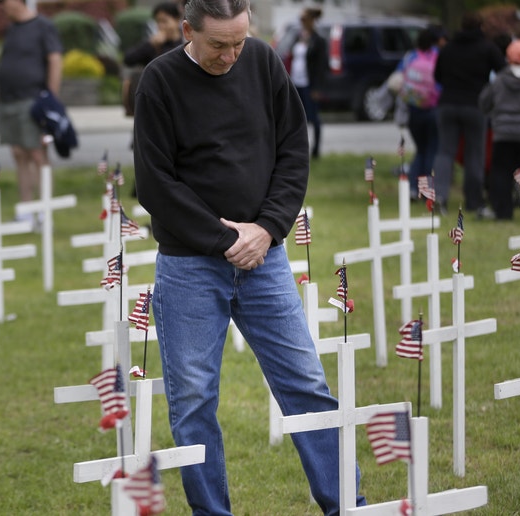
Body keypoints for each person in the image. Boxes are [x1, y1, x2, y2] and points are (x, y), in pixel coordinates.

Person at [132, 0, 366, 514]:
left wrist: (267, 227)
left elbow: (292, 150)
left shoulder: (261, 62)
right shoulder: (160, 80)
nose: (231, 55)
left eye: (239, 41)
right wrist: (223, 239)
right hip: (190, 265)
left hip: (267, 258)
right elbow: (155, 182)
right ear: (188, 30)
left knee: (307, 384)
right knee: (192, 400)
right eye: (218, 45)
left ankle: (348, 505)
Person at [433, 11, 507, 217]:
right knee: (475, 154)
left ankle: (440, 197)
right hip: (475, 105)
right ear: (480, 27)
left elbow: (437, 76)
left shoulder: (447, 48)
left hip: (447, 104)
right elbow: (503, 71)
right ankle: (474, 202)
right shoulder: (487, 48)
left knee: (445, 152)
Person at [0, 0, 62, 209]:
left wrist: (50, 99)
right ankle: (26, 207)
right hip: (8, 100)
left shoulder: (43, 25)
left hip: (33, 100)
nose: (1, 7)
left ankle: (44, 208)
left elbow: (55, 60)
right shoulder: (11, 29)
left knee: (36, 153)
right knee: (18, 153)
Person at [479, 39, 520, 220]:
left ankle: (502, 211)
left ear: (508, 58)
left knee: (500, 172)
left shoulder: (499, 80)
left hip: (503, 134)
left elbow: (484, 102)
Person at [395, 28, 442, 201]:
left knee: (420, 150)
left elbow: (399, 77)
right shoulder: (437, 56)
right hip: (432, 108)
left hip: (413, 110)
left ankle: (413, 189)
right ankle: (427, 190)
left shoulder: (410, 57)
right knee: (431, 150)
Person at [121, 1, 183, 118]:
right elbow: (128, 59)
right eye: (158, 22)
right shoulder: (154, 44)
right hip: (151, 103)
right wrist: (150, 45)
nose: (161, 26)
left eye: (165, 21)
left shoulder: (184, 44)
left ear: (176, 20)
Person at [288, 7, 328, 158]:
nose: (301, 22)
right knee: (297, 117)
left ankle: (316, 150)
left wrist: (317, 88)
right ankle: (298, 149)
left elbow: (321, 66)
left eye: (304, 19)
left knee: (314, 117)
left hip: (309, 84)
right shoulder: (299, 37)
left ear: (311, 20)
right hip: (296, 82)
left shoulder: (319, 40)